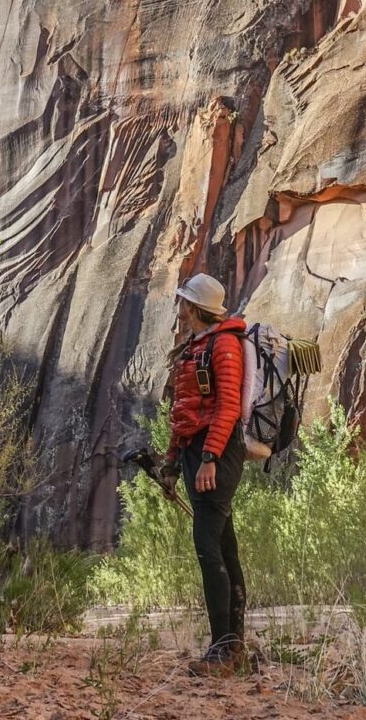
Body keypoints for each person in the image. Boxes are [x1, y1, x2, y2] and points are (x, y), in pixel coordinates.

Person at [162, 271, 250, 675]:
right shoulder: (196, 345)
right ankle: (233, 646)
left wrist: (211, 458)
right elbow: (184, 414)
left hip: (219, 452)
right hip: (199, 452)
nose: (179, 307)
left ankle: (222, 651)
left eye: (183, 301)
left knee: (208, 547)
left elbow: (228, 406)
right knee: (223, 547)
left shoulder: (225, 345)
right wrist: (171, 464)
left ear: (195, 308)